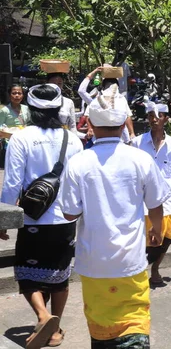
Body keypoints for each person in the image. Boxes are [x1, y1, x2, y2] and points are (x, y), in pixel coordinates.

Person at [59, 85, 171, 348]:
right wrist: (155, 229)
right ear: (123, 122)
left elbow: (69, 213)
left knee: (102, 330)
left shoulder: (78, 162)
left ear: (91, 123)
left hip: (93, 262)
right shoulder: (140, 159)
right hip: (130, 261)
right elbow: (156, 204)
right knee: (134, 321)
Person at [0, 84, 83, 349]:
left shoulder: (21, 137)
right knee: (60, 275)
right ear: (59, 109)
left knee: (27, 274)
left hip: (34, 218)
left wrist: (4, 218)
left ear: (30, 109)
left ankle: (43, 315)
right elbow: (80, 181)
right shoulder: (74, 139)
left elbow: (12, 183)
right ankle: (56, 330)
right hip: (66, 218)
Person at [131, 102, 171, 286]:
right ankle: (140, 270)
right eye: (150, 116)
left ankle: (155, 268)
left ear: (166, 119)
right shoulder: (137, 142)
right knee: (142, 237)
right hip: (143, 197)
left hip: (167, 198)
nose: (154, 120)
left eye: (158, 116)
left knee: (167, 236)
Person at [79, 66, 135, 140]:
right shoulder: (120, 100)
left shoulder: (95, 101)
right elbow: (128, 117)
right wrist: (131, 133)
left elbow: (81, 91)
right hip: (117, 140)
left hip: (100, 140)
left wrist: (93, 72)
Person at [46, 72, 81, 138]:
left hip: (64, 138)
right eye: (53, 83)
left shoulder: (68, 102)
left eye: (59, 83)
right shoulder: (41, 101)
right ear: (47, 83)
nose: (56, 86)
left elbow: (72, 125)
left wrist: (74, 140)